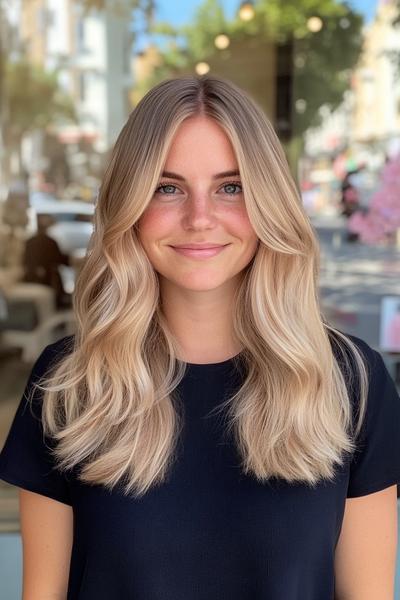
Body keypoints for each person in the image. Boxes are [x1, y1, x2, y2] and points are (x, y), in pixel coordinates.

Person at [0, 75, 399, 600]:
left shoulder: (352, 381)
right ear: (131, 205)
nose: (200, 218)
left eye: (230, 187)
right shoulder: (71, 384)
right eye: (168, 188)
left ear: (268, 204)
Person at [22, 213, 71, 309]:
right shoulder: (51, 242)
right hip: (50, 278)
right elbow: (60, 259)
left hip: (31, 278)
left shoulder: (29, 242)